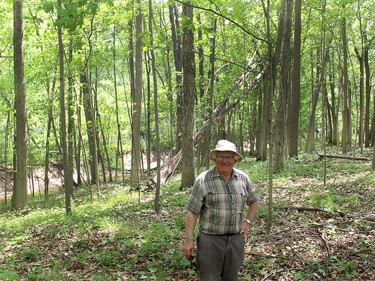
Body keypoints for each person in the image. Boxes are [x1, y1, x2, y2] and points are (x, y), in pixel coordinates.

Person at [183, 140, 260, 281]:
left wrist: (248, 221)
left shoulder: (243, 179)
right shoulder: (203, 180)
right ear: (214, 159)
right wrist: (189, 240)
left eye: (229, 157)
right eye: (221, 157)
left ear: (235, 159)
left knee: (231, 277)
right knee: (208, 278)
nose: (225, 161)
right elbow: (192, 212)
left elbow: (254, 200)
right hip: (210, 241)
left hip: (236, 240)